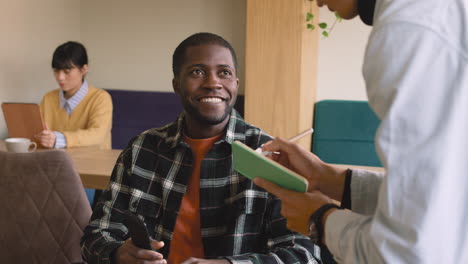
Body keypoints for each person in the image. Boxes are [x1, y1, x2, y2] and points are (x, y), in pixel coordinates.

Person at [254, 0, 468, 263]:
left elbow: (406, 254)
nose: (315, 1)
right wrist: (330, 178)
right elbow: (442, 196)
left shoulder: (406, 31)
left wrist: (321, 220)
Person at [81, 33, 321, 264]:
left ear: (236, 84)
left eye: (224, 73)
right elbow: (96, 236)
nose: (213, 83)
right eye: (197, 72)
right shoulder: (141, 150)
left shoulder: (271, 155)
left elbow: (304, 254)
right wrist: (118, 254)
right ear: (176, 84)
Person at [35, 41, 112, 149]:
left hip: (93, 162)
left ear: (84, 69)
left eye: (67, 71)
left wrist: (59, 139)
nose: (60, 77)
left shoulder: (101, 98)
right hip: (56, 163)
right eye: (56, 71)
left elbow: (97, 136)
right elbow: (38, 134)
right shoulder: (48, 98)